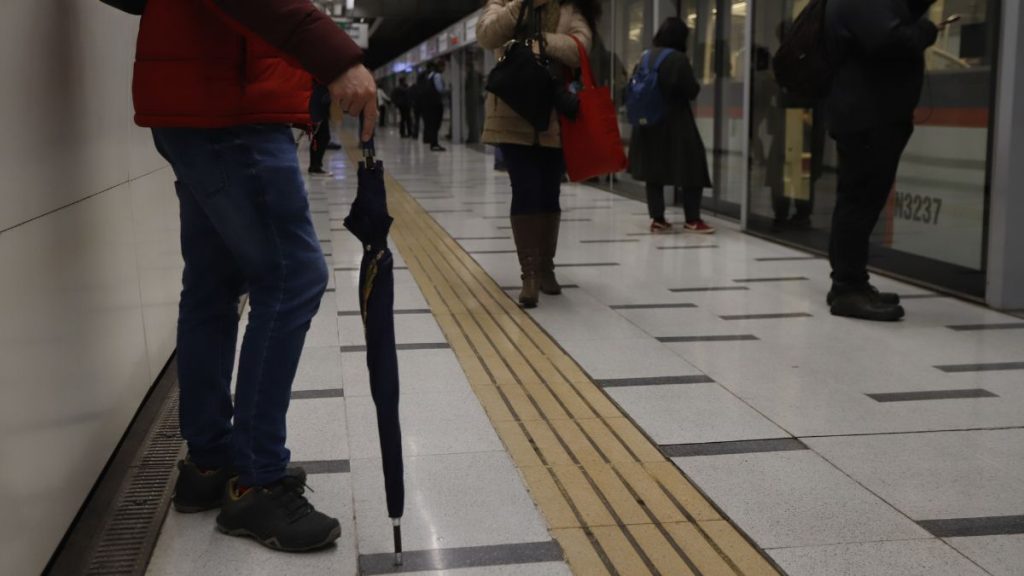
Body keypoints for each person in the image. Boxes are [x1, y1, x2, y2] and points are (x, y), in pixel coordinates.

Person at [132, 0, 377, 552]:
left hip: (197, 96)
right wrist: (336, 57)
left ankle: (210, 464)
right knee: (293, 277)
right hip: (230, 105)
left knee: (212, 287)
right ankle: (256, 481)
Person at [478, 0, 597, 308]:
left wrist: (541, 42)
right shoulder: (504, 4)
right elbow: (487, 35)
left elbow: (580, 47)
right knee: (525, 188)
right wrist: (520, 5)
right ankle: (529, 274)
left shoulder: (569, 9)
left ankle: (546, 267)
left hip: (554, 118)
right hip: (511, 112)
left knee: (549, 191)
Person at [824, 0, 938, 321]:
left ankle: (849, 283)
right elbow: (889, 40)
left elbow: (895, 18)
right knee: (859, 203)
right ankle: (848, 289)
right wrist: (927, 31)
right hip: (868, 118)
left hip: (868, 116)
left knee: (858, 201)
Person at [628, 18, 715, 234]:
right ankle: (692, 219)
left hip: (648, 124)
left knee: (653, 172)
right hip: (675, 124)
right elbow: (691, 90)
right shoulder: (678, 59)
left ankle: (658, 219)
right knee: (692, 167)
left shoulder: (646, 57)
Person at [421, 61, 447, 152]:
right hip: (436, 103)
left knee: (431, 124)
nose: (444, 69)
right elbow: (440, 89)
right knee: (436, 123)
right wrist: (446, 91)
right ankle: (434, 144)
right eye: (443, 67)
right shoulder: (437, 76)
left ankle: (433, 142)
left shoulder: (429, 76)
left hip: (428, 104)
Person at [308, 82, 333, 176]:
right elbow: (318, 97)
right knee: (322, 137)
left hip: (320, 111)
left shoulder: (322, 83)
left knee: (320, 137)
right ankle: (315, 166)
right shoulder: (320, 83)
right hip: (318, 112)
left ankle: (315, 165)